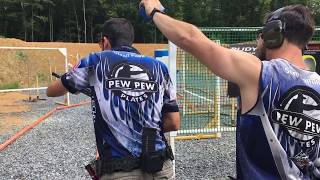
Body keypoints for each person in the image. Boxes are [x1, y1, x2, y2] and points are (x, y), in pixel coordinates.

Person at [140, 1, 319, 179]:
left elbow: (190, 38)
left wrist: (154, 11)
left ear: (274, 33)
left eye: (262, 33)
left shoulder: (261, 73)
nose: (260, 40)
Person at [46, 17, 180, 180]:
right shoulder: (160, 67)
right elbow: (173, 122)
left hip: (119, 170)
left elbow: (51, 91)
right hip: (160, 166)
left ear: (105, 41)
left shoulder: (95, 61)